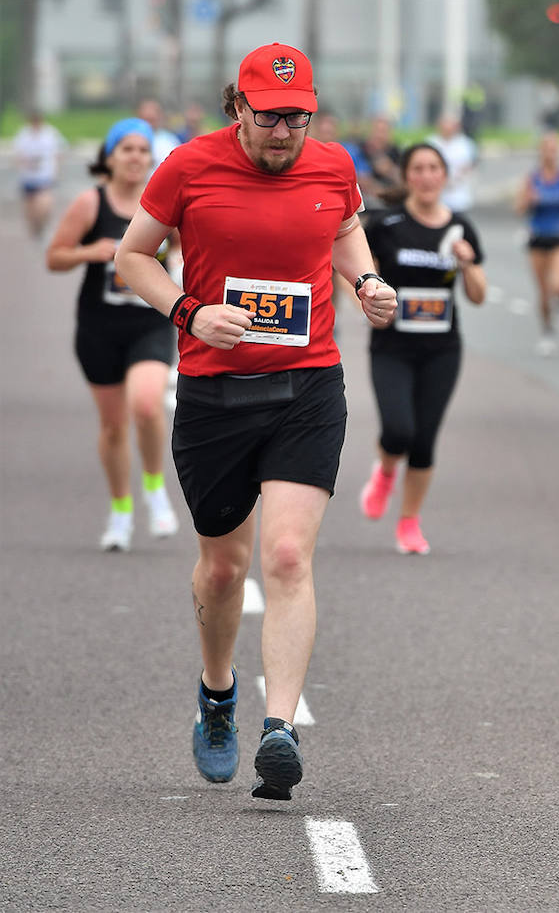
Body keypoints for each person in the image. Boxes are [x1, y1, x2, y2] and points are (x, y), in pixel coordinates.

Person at [113, 42, 397, 802]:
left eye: (298, 117)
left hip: (307, 385)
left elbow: (343, 229)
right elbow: (130, 257)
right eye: (271, 117)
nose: (285, 132)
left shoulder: (334, 166)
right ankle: (217, 693)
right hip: (214, 395)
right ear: (237, 107)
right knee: (223, 569)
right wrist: (190, 311)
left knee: (289, 556)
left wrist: (366, 280)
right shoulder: (188, 168)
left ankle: (279, 730)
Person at [45, 117, 180, 551]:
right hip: (99, 328)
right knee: (113, 426)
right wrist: (93, 251)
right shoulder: (90, 203)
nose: (136, 157)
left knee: (145, 404)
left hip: (150, 323)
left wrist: (176, 264)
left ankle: (155, 488)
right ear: (110, 157)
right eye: (127, 149)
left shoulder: (162, 202)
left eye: (143, 150)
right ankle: (120, 511)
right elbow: (55, 257)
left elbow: (184, 246)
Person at [358, 143, 487, 554]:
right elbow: (350, 265)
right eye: (419, 168)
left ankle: (409, 522)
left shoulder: (461, 227)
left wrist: (467, 264)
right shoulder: (385, 223)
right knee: (398, 429)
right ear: (407, 176)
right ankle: (384, 472)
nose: (427, 176)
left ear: (445, 176)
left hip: (442, 349)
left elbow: (480, 295)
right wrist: (367, 294)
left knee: (424, 439)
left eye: (434, 168)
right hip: (392, 346)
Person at [515, 130, 559, 355]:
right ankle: (547, 332)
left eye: (554, 148)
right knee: (544, 291)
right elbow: (518, 208)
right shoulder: (531, 179)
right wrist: (528, 201)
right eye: (546, 148)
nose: (550, 153)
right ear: (540, 151)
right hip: (538, 237)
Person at [14, 109, 66, 239]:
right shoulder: (23, 134)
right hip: (28, 178)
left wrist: (56, 171)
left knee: (44, 206)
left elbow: (59, 153)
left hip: (45, 177)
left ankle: (43, 224)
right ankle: (35, 228)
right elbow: (18, 154)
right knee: (30, 212)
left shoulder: (50, 134)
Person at [427, 111, 479, 213]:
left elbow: (470, 165)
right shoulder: (430, 142)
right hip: (435, 198)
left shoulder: (466, 144)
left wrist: (455, 180)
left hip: (459, 197)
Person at [137, 98, 183, 168]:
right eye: (146, 119)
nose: (149, 125)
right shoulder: (130, 139)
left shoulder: (170, 141)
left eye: (152, 120)